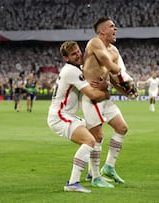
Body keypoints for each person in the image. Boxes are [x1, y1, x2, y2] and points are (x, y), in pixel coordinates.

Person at [82, 16, 137, 188]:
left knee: (122, 128)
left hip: (104, 96)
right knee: (97, 136)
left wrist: (126, 92)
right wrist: (127, 79)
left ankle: (109, 167)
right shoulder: (94, 43)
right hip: (92, 97)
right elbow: (111, 67)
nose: (116, 29)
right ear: (102, 31)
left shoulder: (114, 51)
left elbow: (112, 79)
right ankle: (95, 176)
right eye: (112, 26)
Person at [47, 41, 110, 193]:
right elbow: (93, 94)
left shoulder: (77, 69)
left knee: (97, 134)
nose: (78, 55)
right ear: (66, 58)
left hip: (68, 115)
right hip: (60, 116)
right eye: (73, 54)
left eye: (78, 51)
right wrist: (106, 91)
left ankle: (93, 175)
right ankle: (72, 183)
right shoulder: (71, 71)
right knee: (89, 140)